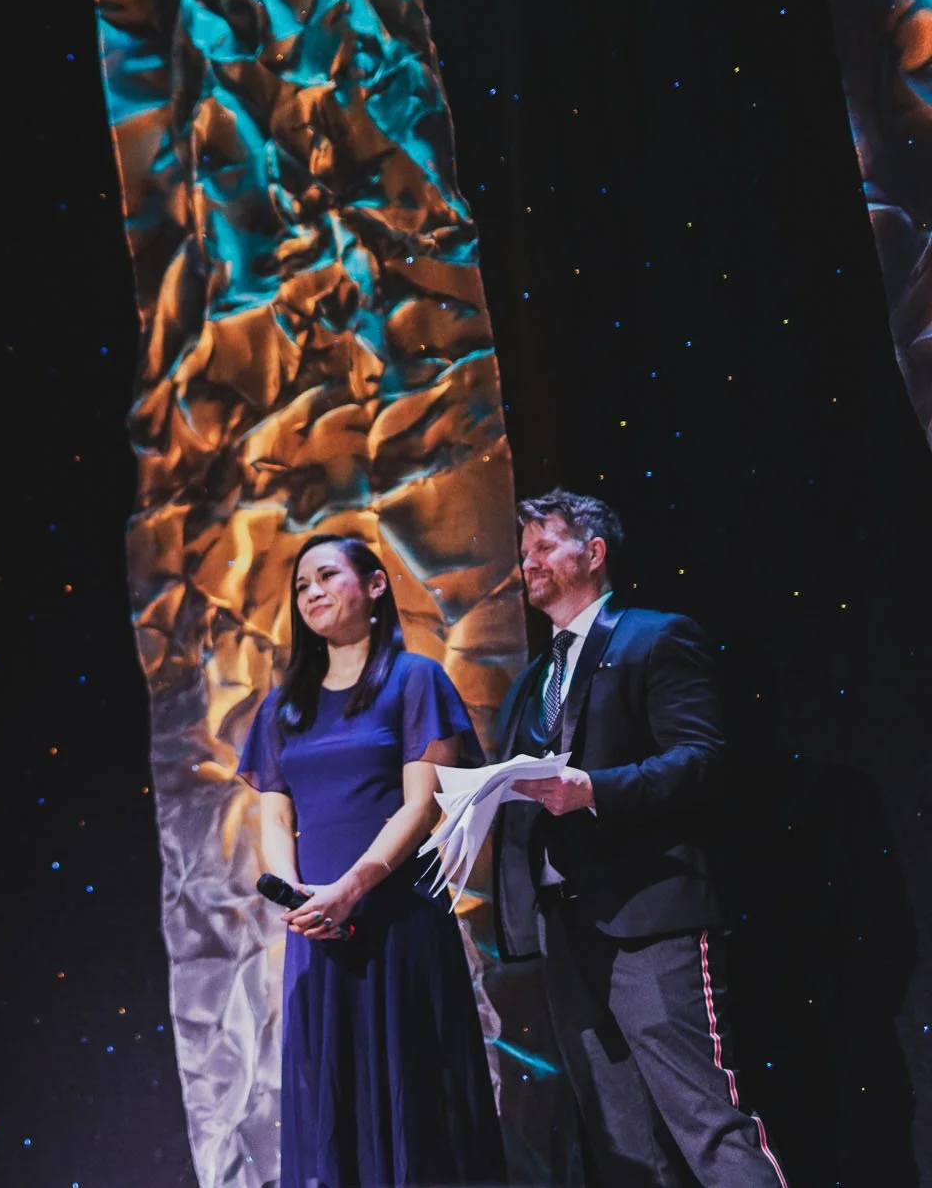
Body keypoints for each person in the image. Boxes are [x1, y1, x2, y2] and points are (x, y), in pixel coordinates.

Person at [494, 491, 788, 1186]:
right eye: (525, 549)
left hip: (650, 916)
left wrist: (596, 790)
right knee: (621, 1141)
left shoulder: (654, 636)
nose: (528, 561)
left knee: (706, 1121)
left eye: (545, 546)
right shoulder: (532, 681)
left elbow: (700, 759)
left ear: (592, 554)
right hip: (568, 929)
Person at [242, 533, 506, 1188]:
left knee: (416, 1096)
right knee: (334, 1101)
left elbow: (422, 806)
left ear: (376, 586)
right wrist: (296, 893)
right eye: (302, 586)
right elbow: (275, 813)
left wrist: (353, 887)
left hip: (396, 918)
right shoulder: (283, 708)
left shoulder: (415, 679)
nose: (312, 594)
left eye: (328, 577)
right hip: (319, 928)